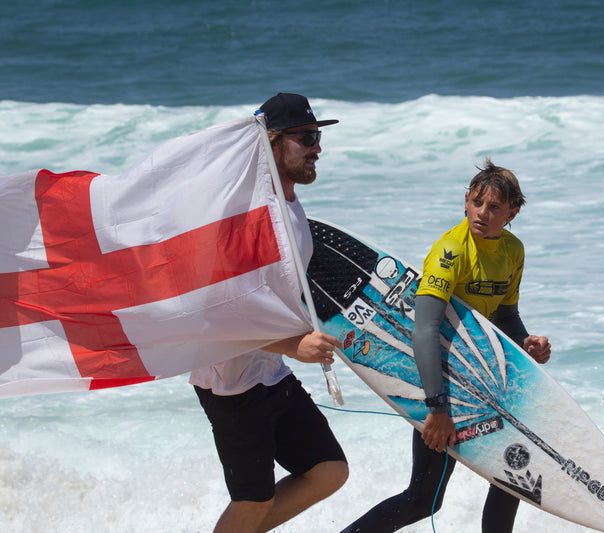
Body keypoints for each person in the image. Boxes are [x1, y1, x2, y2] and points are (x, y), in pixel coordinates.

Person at [342, 159, 551, 533]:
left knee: (512, 479)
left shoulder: (513, 251)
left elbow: (505, 316)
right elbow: (424, 330)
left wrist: (526, 343)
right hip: (438, 382)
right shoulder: (450, 251)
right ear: (466, 201)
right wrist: (436, 407)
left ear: (512, 213)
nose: (482, 214)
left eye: (494, 208)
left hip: (483, 380)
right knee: (423, 499)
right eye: (477, 202)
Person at [191, 93, 349, 533]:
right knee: (252, 500)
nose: (316, 146)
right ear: (272, 143)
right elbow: (219, 313)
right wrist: (294, 345)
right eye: (305, 138)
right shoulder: (251, 216)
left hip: (269, 372)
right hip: (231, 383)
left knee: (329, 471)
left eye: (317, 136)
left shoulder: (292, 209)